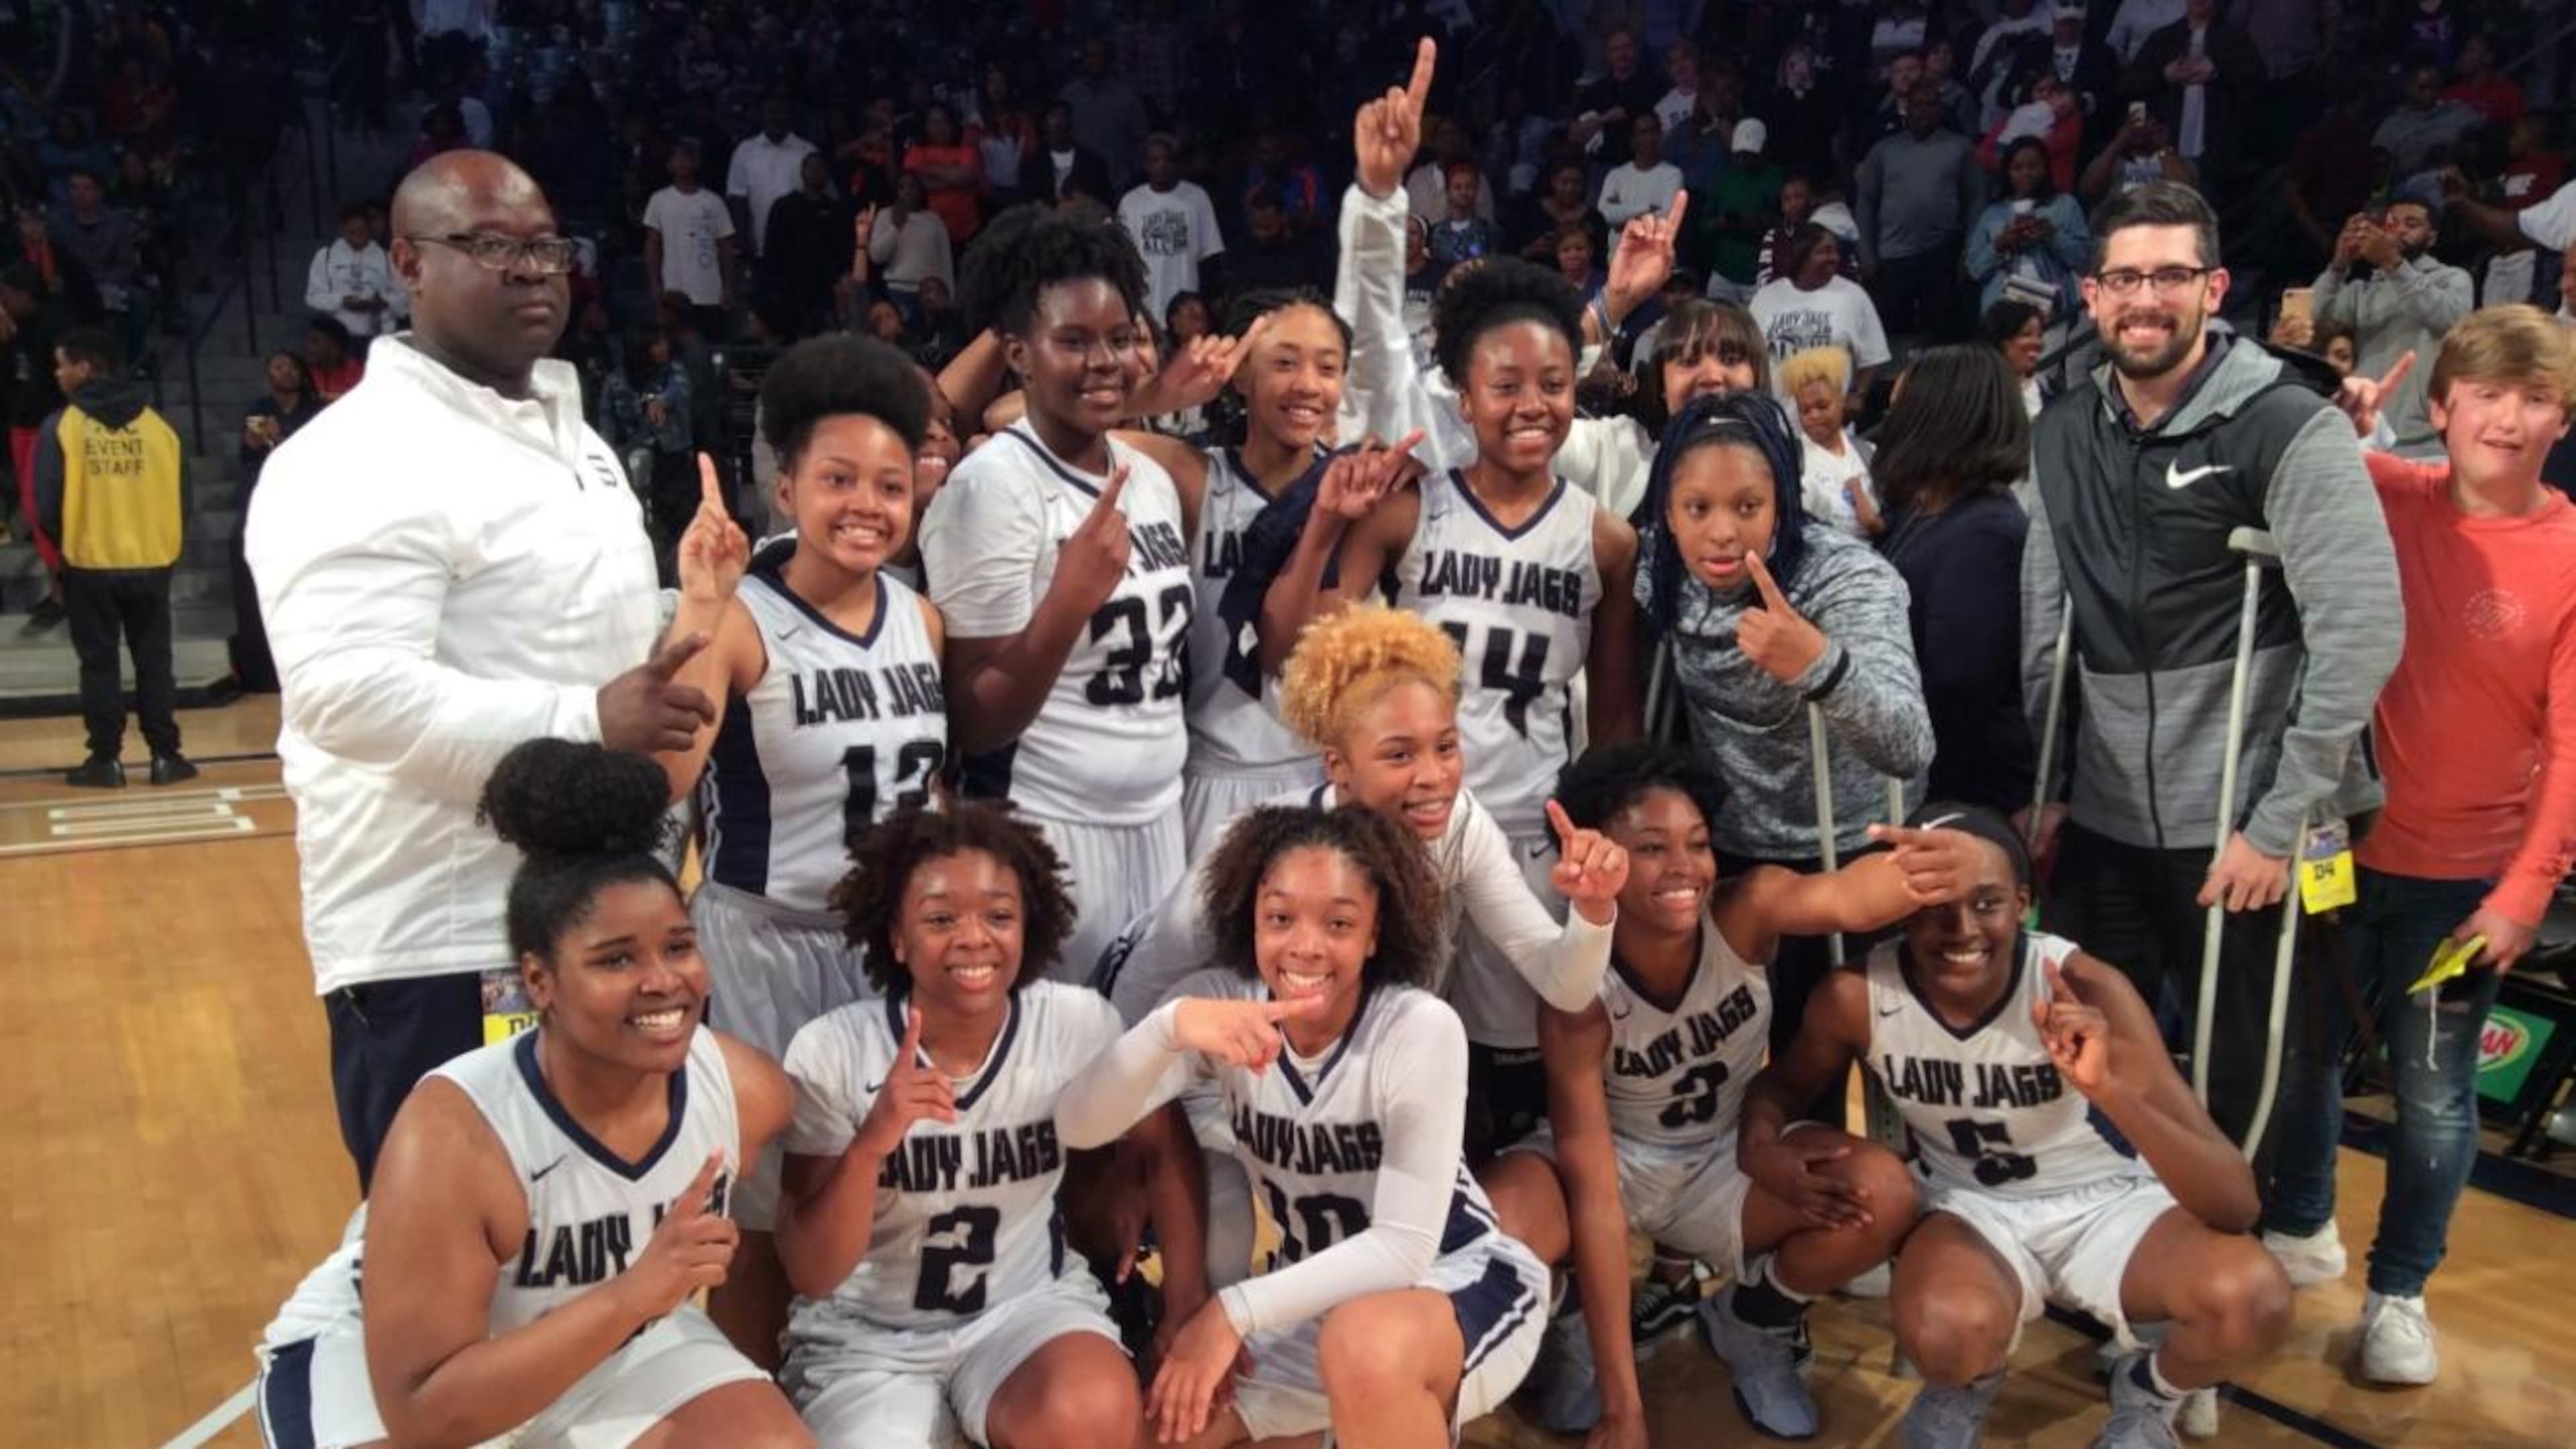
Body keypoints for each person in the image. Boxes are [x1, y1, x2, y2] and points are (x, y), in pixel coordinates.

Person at [247, 152, 703, 1191]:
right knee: (462, 1265)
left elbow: (574, 630)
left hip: (597, 912)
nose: (533, 270)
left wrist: (711, 607)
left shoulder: (568, 431)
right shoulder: (355, 454)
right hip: (446, 939)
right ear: (406, 262)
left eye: (545, 246)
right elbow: (346, 691)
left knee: (600, 1234)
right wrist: (587, 717)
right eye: (492, 246)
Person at [251, 739, 811, 1449]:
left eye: (678, 946)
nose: (664, 980)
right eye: (616, 959)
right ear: (539, 981)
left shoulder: (746, 1091)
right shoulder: (454, 1136)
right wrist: (636, 1292)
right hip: (400, 1371)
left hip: (606, 1340)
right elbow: (426, 1414)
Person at [2020, 182, 2401, 1151]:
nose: (2146, 299)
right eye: (2125, 278)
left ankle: (2228, 1256)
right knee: (2094, 1041)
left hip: (2239, 819)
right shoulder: (2061, 432)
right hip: (2103, 816)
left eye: (2170, 275)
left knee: (2245, 1064)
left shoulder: (2287, 426)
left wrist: (2278, 825)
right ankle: (2110, 1242)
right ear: (2092, 295)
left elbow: (2361, 630)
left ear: (2215, 286)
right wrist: (2051, 785)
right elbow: (2044, 627)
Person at [1098, 602, 1624, 1270]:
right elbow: (1143, 983)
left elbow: (1562, 982)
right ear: (1338, 766)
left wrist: (1594, 911)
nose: (1433, 776)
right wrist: (1133, 1142)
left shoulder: (1458, 827)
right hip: (1232, 1084)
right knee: (1221, 1234)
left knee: (1415, 1259)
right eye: (1399, 755)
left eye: (1446, 745)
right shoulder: (1262, 842)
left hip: (1352, 1088)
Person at [1749, 807, 2291, 1447]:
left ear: (2024, 906)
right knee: (1946, 1333)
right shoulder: (1857, 997)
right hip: (1972, 1209)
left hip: (2110, 1203)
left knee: (2255, 1303)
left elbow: (2235, 1200)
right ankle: (1963, 1386)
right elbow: (1781, 1087)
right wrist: (1762, 1150)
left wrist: (2107, 1089)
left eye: (1988, 904)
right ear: (1902, 909)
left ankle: (2148, 1395)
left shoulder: (2086, 987)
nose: (1963, 929)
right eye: (1936, 906)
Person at [1260, 258, 1642, 1150]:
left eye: (1553, 383)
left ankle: (1510, 1228)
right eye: (1504, 385)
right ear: (1463, 399)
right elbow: (1314, 652)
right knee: (1401, 1037)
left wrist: (1600, 839)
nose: (1532, 404)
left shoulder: (1604, 538)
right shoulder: (1408, 512)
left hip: (1530, 828)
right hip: (1415, 826)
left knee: (1522, 1052)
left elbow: (1616, 716)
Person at [1481, 743, 1970, 1440]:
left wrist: (1939, 863)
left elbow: (1850, 899)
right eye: (1651, 848)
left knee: (1882, 1195)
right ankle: (1576, 1330)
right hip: (1618, 1158)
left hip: (1724, 1153)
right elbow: (1593, 1192)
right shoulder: (1577, 990)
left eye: (1698, 843)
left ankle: (1752, 1322)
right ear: (1600, 862)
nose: (1684, 867)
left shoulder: (1745, 910)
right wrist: (1627, 1407)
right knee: (1500, 1222)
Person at [2267, 307, 2576, 1385]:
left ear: (2561, 417)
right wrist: (2337, 426)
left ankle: (2400, 1295)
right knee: (2300, 1057)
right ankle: (2298, 1226)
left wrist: (2522, 897)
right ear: (2440, 409)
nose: (2507, 418)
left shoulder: (2574, 552)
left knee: (2435, 1093)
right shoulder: (2383, 494)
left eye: (2533, 398)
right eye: (2485, 393)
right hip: (2332, 853)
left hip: (2464, 880)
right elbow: (2305, 469)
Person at [638, 335, 949, 1358]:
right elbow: (664, 782)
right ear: (784, 486)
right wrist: (695, 602)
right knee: (763, 1212)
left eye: (890, 485)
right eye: (839, 480)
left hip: (883, 952)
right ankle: (755, 1404)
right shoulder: (740, 620)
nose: (867, 504)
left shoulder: (923, 621)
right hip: (762, 946)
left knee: (876, 1186)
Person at [1058, 804, 1552, 1447]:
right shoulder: (1228, 1006)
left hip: (1448, 1283)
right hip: (1312, 1300)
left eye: (1339, 923)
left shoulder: (1417, 1027)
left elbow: (1402, 1249)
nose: (1306, 945)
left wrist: (1232, 1310)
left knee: (1364, 1349)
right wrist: (1168, 1028)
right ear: (1252, 919)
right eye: (1280, 918)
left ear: (1377, 933)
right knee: (1164, 1431)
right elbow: (1078, 1124)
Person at [775, 802, 1167, 1449]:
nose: (973, 937)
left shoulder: (1076, 1024)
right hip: (870, 1336)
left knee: (1093, 1417)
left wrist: (1184, 1305)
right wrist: (872, 1145)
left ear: (1028, 925)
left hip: (1023, 1310)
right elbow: (813, 1273)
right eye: (940, 919)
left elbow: (1163, 1142)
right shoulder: (832, 1051)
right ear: (897, 938)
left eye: (999, 916)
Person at [1633, 390, 1934, 1120]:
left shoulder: (1844, 578)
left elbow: (1908, 741)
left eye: (1748, 506)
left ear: (1782, 503)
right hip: (1739, 849)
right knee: (1757, 1052)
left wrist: (1817, 663)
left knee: (1861, 1053)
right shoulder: (1660, 576)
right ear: (1668, 513)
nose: (1723, 533)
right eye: (1697, 508)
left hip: (1853, 844)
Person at [921, 205, 1194, 983]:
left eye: (1117, 338)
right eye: (1073, 341)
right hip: (1051, 828)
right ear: (1019, 354)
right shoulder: (992, 487)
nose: (1104, 361)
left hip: (1159, 818)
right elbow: (976, 719)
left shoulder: (1151, 480)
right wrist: (1068, 602)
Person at [1875, 345, 2036, 815]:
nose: (1890, 423)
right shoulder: (1923, 510)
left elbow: (1956, 688)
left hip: (1962, 793)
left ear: (1939, 418)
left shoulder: (1987, 532)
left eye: (1902, 409)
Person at [34, 326, 192, 788]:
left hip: (90, 560)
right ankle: (167, 756)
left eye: (63, 363)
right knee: (155, 659)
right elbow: (182, 499)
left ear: (86, 367)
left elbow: (46, 504)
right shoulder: (160, 426)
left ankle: (106, 761)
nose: (58, 373)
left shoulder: (62, 426)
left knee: (100, 663)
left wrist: (68, 548)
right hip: (153, 559)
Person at [2312, 199, 2473, 455]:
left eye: (2412, 224)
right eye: (2392, 223)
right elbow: (2316, 315)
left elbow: (2449, 318)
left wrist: (2392, 263)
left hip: (2426, 442)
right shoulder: (2365, 289)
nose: (2400, 230)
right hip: (2369, 437)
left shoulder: (2453, 279)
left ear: (2431, 238)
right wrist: (2339, 264)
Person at [1855, 81, 1984, 341]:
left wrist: (1971, 249)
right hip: (1891, 256)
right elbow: (1865, 202)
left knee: (1943, 333)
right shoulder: (1884, 150)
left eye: (1930, 104)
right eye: (1917, 105)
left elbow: (1976, 199)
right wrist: (1867, 254)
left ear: (1940, 108)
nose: (1923, 111)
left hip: (1941, 253)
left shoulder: (1960, 148)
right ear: (1906, 109)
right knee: (1890, 335)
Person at [229, 350, 323, 692]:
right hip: (267, 496)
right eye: (278, 367)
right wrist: (254, 441)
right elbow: (247, 457)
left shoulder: (315, 411)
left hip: (308, 499)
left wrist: (278, 439)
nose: (285, 373)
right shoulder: (259, 407)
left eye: (291, 367)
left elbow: (311, 455)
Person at [1750, 224, 1892, 404]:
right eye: (1824, 251)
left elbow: (1874, 356)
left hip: (1831, 423)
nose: (1834, 258)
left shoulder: (1853, 296)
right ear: (1802, 254)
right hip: (1775, 420)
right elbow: (1750, 357)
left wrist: (1859, 395)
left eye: (1835, 251)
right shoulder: (1766, 298)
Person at [1966, 136, 2092, 323]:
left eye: (2033, 166)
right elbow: (1974, 270)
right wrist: (2000, 245)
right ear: (2007, 172)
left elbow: (2083, 260)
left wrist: (2052, 235)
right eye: (2018, 168)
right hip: (2003, 305)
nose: (2026, 173)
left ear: (2045, 168)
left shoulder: (2064, 205)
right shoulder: (1992, 214)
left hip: (2050, 303)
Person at [1118, 134, 1226, 321]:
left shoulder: (1197, 198)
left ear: (1177, 164)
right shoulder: (1131, 202)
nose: (1162, 166)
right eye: (1155, 160)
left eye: (1167, 160)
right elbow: (1124, 260)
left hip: (1188, 307)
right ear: (1146, 165)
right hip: (1148, 306)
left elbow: (1210, 255)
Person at [644, 140, 737, 343]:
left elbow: (725, 246)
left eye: (686, 158)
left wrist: (728, 286)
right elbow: (653, 245)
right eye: (676, 158)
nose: (681, 163)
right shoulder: (659, 200)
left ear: (696, 162)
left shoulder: (713, 202)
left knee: (710, 343)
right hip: (674, 290)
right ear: (669, 165)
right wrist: (655, 284)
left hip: (708, 291)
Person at [1783, 345, 1878, 539]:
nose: (1814, 416)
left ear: (1842, 401)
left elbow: (1885, 520)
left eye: (1822, 406)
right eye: (1805, 410)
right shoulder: (1791, 457)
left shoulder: (1868, 453)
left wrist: (1860, 496)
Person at [729, 95, 819, 260]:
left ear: (791, 115)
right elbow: (738, 197)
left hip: (801, 245)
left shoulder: (807, 151)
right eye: (770, 112)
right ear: (761, 115)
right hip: (758, 246)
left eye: (782, 112)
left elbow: (817, 197)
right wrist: (742, 238)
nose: (776, 117)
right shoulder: (745, 150)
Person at [305, 202, 397, 341]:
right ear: (342, 229)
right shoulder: (325, 257)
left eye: (363, 232)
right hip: (337, 335)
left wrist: (383, 302)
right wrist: (342, 301)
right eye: (352, 232)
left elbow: (403, 298)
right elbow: (313, 298)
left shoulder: (387, 258)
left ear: (370, 229)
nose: (358, 238)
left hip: (379, 333)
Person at [1984, 297, 2050, 416]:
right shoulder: (1980, 392)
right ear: (2002, 339)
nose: (2038, 343)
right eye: (2026, 334)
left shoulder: (2048, 391)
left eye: (2040, 336)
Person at [304, 317, 366, 403]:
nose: (307, 346)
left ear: (334, 349)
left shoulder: (361, 376)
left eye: (315, 341)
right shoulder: (302, 372)